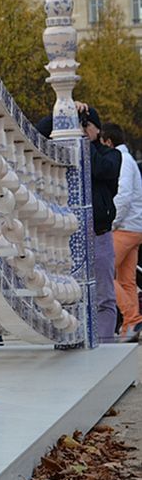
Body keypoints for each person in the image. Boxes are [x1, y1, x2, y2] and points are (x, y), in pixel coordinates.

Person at [38, 103, 121, 342]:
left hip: (99, 233)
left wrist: (82, 138)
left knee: (104, 296)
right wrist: (62, 114)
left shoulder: (110, 155)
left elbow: (96, 168)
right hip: (68, 239)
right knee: (68, 295)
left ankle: (104, 343)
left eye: (87, 126)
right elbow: (38, 133)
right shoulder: (64, 152)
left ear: (98, 130)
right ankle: (73, 339)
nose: (82, 130)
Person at [101, 123, 142, 341]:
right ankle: (131, 328)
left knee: (102, 274)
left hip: (124, 228)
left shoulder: (122, 160)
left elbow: (123, 195)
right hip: (134, 228)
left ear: (108, 141)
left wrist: (111, 221)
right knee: (127, 281)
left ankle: (133, 319)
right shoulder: (129, 160)